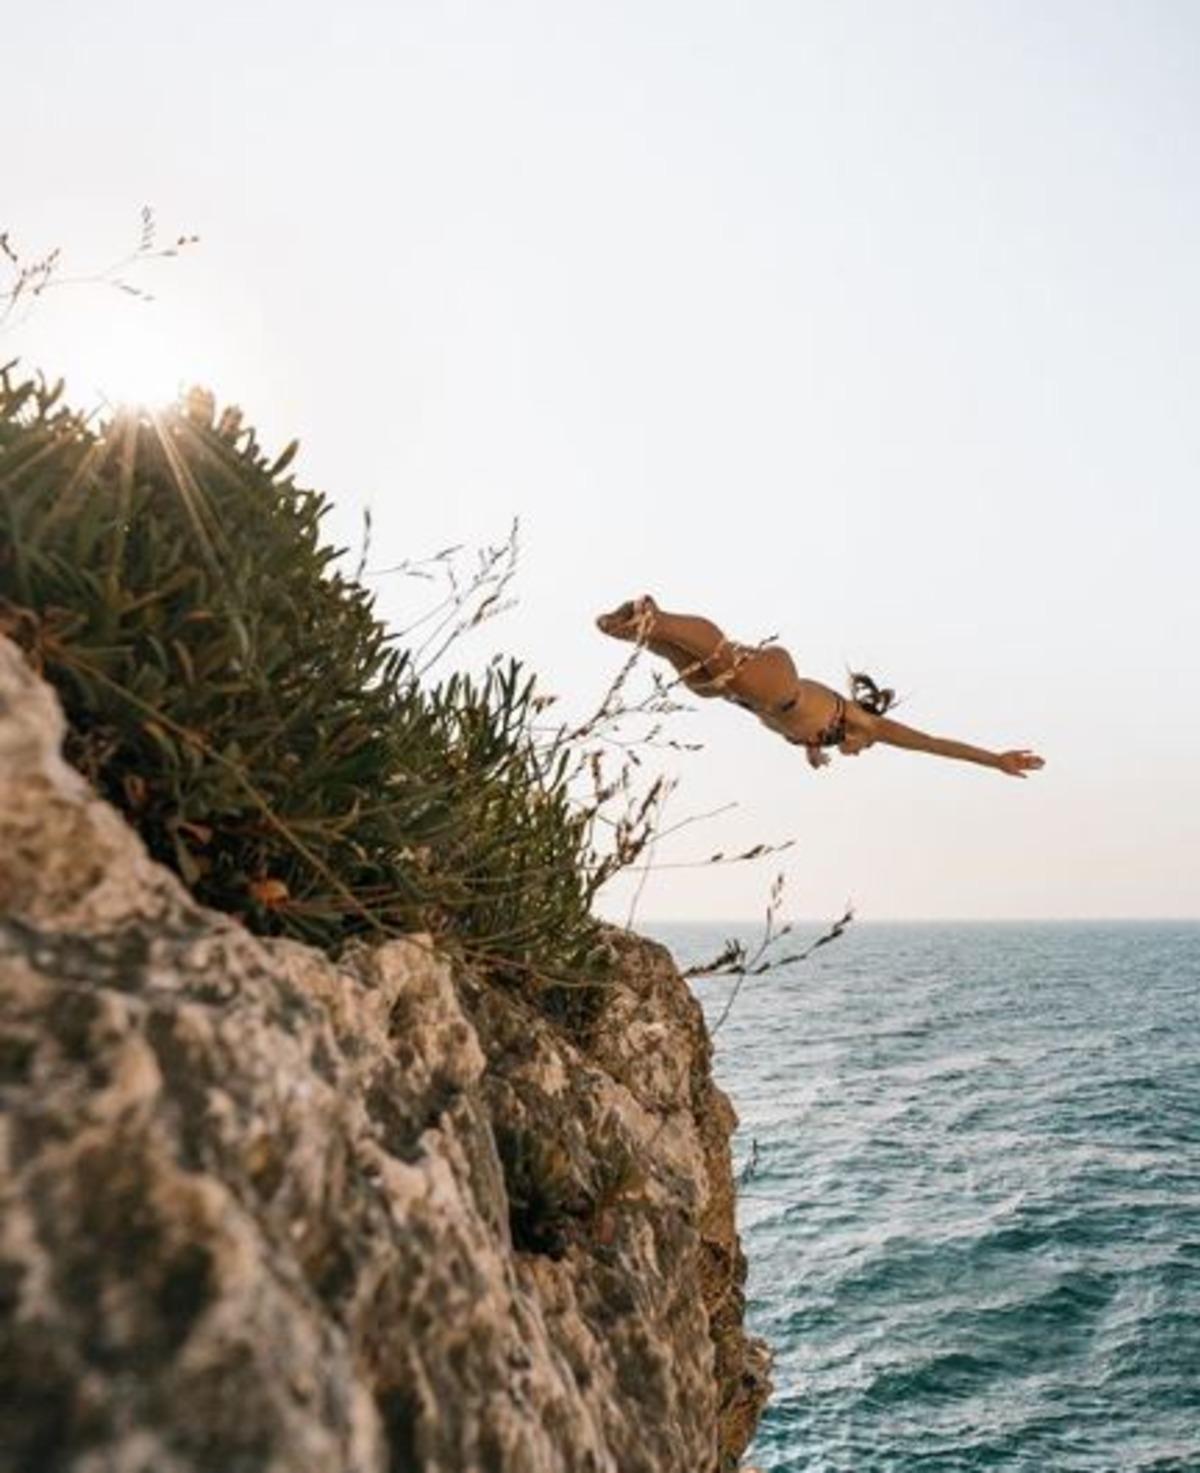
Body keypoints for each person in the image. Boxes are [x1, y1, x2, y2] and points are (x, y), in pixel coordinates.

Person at [596, 595, 1044, 778]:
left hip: (748, 700)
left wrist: (811, 750)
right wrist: (995, 760)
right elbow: (933, 745)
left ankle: (641, 630)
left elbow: (804, 732)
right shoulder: (865, 723)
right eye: (863, 750)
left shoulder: (816, 737)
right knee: (721, 658)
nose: (861, 752)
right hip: (778, 681)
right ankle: (655, 613)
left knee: (701, 679)